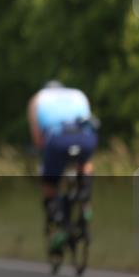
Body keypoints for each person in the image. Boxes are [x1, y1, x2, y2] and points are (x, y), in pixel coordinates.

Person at [27, 80, 98, 253]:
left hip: (58, 140)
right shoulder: (77, 93)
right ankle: (85, 202)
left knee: (49, 183)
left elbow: (38, 139)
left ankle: (57, 215)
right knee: (85, 164)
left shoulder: (37, 99)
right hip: (85, 139)